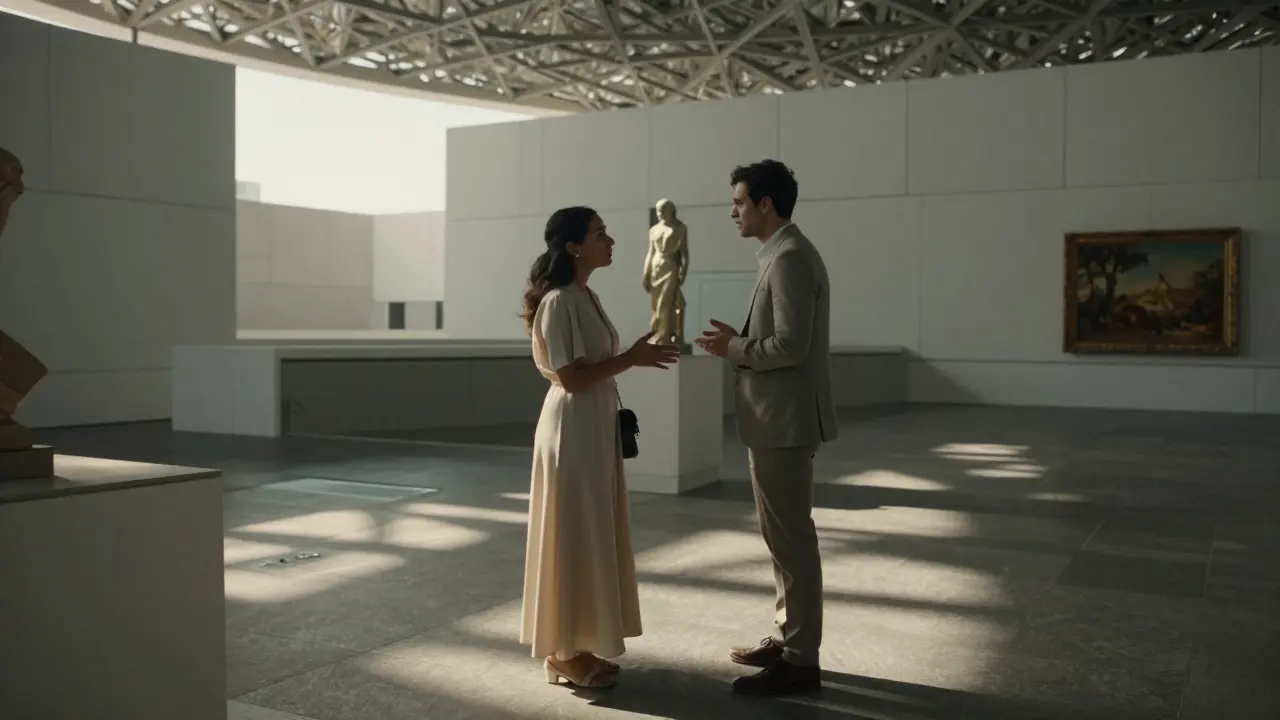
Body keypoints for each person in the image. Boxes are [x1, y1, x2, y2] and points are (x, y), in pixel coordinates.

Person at [519, 206, 681, 689]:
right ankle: (562, 652)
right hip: (570, 428)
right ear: (573, 246)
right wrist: (630, 359)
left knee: (588, 531)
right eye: (599, 234)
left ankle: (577, 644)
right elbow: (569, 377)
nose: (610, 241)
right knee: (573, 532)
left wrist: (631, 358)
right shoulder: (560, 302)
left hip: (590, 426)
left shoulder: (585, 295)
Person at [696, 160, 837, 696]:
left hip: (784, 420)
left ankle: (800, 659)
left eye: (738, 202)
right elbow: (781, 338)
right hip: (779, 418)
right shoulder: (784, 253)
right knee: (782, 538)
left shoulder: (790, 258)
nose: (732, 211)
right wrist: (741, 338)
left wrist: (734, 348)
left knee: (792, 541)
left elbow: (791, 347)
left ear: (765, 204)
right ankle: (789, 636)